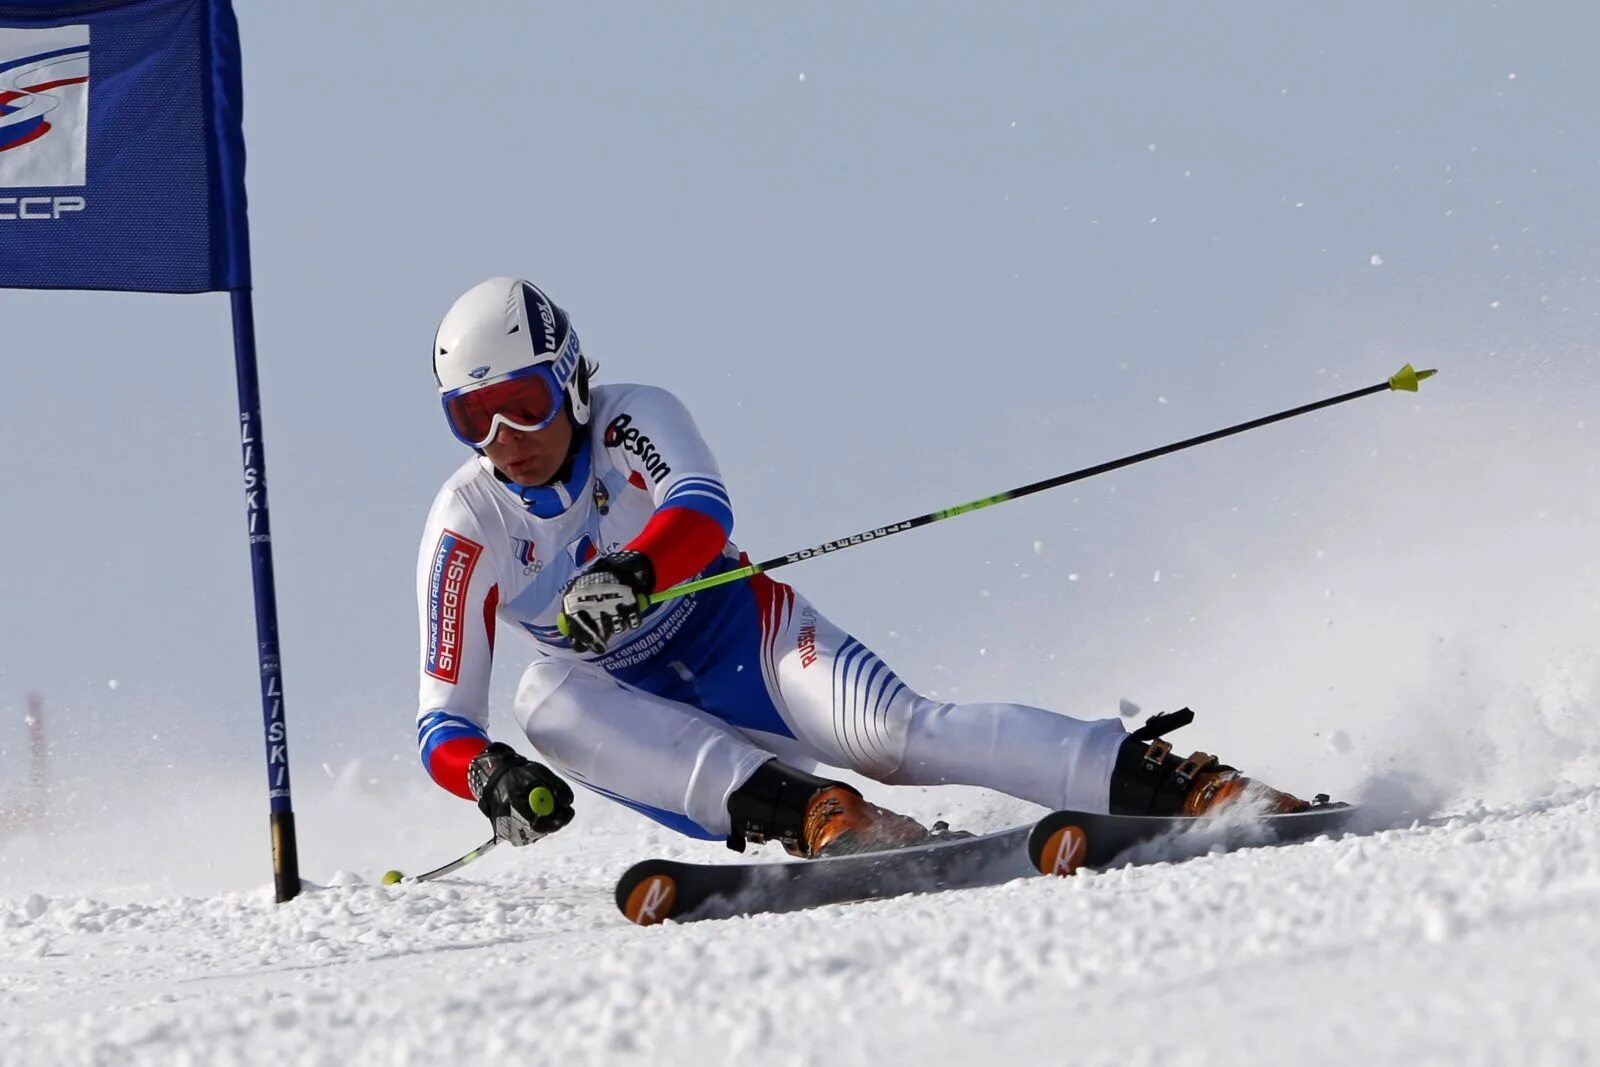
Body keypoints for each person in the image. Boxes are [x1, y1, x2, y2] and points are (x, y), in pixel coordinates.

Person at [415, 277, 1310, 859]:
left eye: (524, 406)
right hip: (625, 699)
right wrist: (485, 775)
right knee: (541, 696)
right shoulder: (466, 523)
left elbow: (700, 506)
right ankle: (816, 815)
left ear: (570, 380)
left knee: (900, 734)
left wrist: (641, 573)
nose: (506, 441)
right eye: (474, 421)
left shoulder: (629, 417)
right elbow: (441, 720)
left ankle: (1174, 783)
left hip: (737, 630)